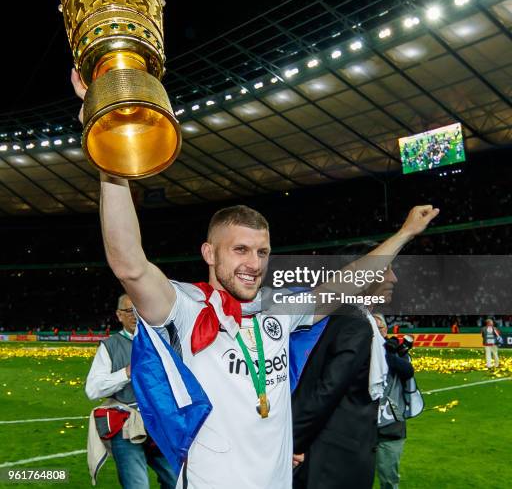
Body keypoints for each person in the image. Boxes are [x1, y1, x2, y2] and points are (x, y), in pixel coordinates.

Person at [71, 69, 439, 489]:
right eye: (240, 250)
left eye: (262, 251)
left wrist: (405, 233)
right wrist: (107, 145)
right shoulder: (188, 307)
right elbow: (130, 265)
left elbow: (344, 284)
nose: (254, 263)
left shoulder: (276, 309)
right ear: (209, 253)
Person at [291, 268, 396, 489]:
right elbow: (326, 390)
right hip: (332, 464)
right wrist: (291, 444)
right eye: (386, 271)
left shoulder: (343, 318)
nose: (393, 278)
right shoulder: (355, 324)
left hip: (330, 457)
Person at [85, 293, 177, 489]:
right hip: (126, 425)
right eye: (129, 311)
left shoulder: (161, 341)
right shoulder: (110, 346)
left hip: (160, 424)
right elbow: (92, 390)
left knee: (176, 480)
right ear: (119, 315)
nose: (135, 315)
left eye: (139, 310)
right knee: (137, 485)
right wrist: (126, 372)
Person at [373, 313, 415, 489]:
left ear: (385, 329)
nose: (376, 332)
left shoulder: (396, 349)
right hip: (361, 426)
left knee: (389, 480)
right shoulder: (359, 349)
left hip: (390, 427)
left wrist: (387, 353)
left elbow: (408, 371)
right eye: (372, 328)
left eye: (379, 328)